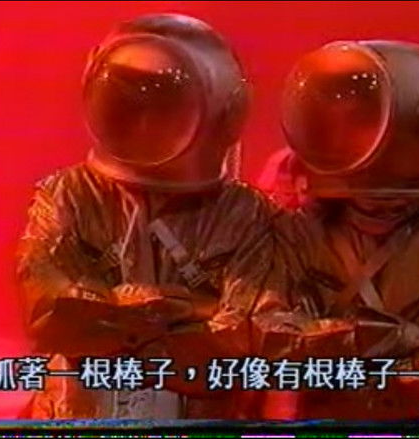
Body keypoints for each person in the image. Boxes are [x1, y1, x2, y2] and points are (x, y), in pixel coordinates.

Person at [16, 13, 276, 419]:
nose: (147, 114)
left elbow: (244, 333)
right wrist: (185, 311)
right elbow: (51, 311)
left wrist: (121, 313)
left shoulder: (245, 213)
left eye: (166, 101)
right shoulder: (69, 193)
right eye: (133, 95)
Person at [256, 40, 419, 420]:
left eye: (365, 123)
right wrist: (401, 339)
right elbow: (267, 337)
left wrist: (339, 350)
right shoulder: (295, 236)